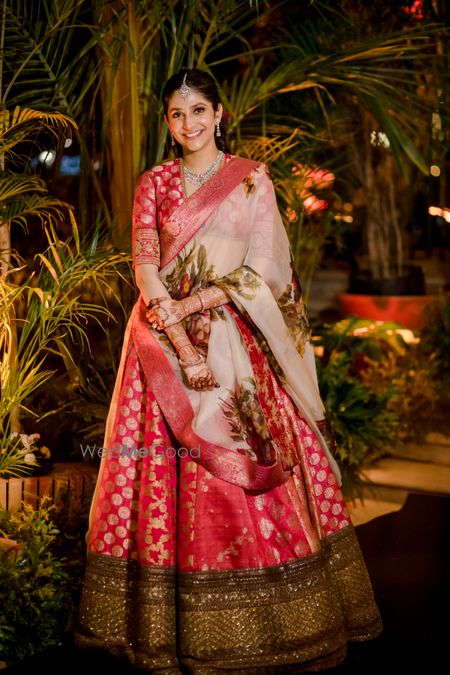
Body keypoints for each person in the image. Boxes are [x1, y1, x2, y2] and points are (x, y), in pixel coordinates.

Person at [74, 68, 382, 673]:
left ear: (219, 114)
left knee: (243, 465)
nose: (187, 125)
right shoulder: (155, 182)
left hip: (232, 341)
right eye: (175, 114)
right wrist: (178, 338)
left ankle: (268, 622)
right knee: (160, 477)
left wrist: (193, 309)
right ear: (168, 121)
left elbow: (265, 268)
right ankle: (164, 625)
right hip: (162, 344)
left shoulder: (251, 182)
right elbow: (143, 262)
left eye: (197, 112)